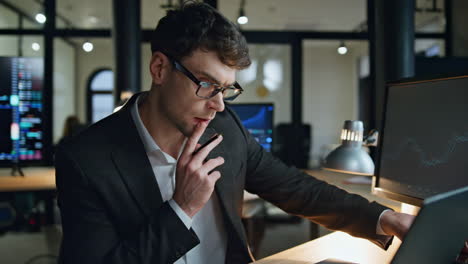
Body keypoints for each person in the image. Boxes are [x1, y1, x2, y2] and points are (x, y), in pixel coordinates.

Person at [55, 2, 415, 264]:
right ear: (160, 68)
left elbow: (295, 188)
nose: (219, 105)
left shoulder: (224, 129)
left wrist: (384, 218)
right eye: (208, 84)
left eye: (227, 89)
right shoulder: (86, 159)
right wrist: (182, 207)